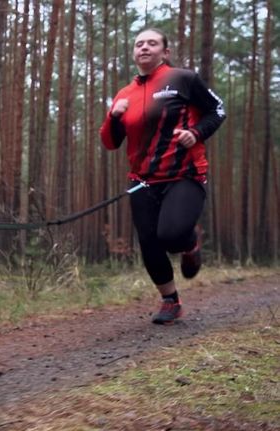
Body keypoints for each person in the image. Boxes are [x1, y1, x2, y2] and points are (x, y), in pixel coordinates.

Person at [99, 28, 226, 325]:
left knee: (169, 234)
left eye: (152, 43)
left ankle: (190, 242)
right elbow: (109, 142)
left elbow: (217, 110)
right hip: (142, 180)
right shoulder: (124, 94)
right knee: (149, 242)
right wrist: (113, 117)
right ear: (134, 52)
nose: (144, 47)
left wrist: (196, 133)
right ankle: (170, 300)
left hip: (184, 174)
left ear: (165, 52)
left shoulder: (183, 79)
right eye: (139, 43)